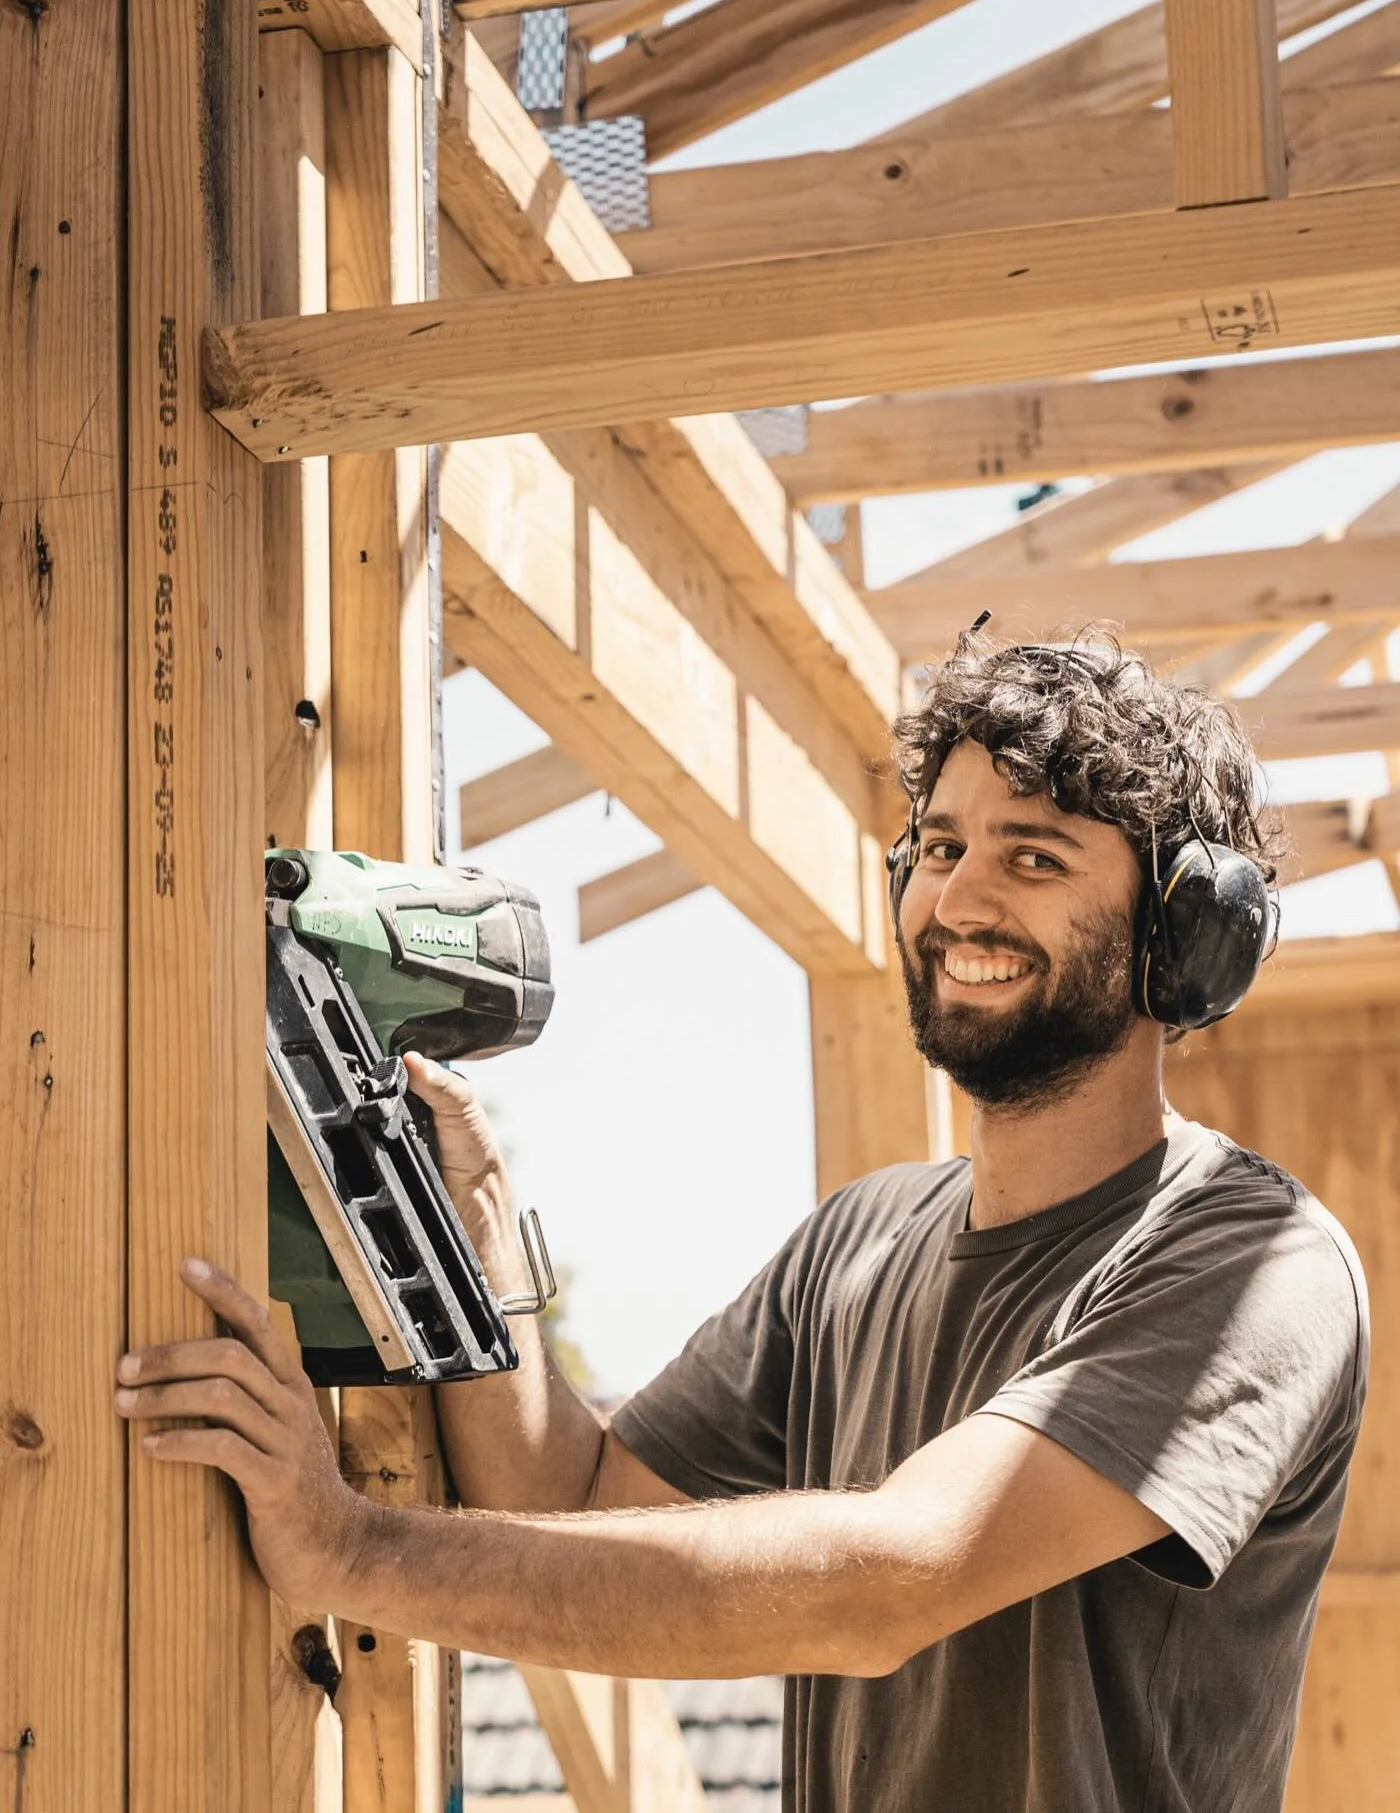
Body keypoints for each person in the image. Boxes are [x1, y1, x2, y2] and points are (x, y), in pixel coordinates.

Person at [115, 631, 1369, 1813]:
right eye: (938, 848)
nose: (958, 901)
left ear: (1182, 938)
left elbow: (891, 1582)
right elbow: (577, 1498)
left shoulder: (1250, 1267)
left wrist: (346, 1549)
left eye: (1032, 857)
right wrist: (478, 1233)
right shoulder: (858, 1242)